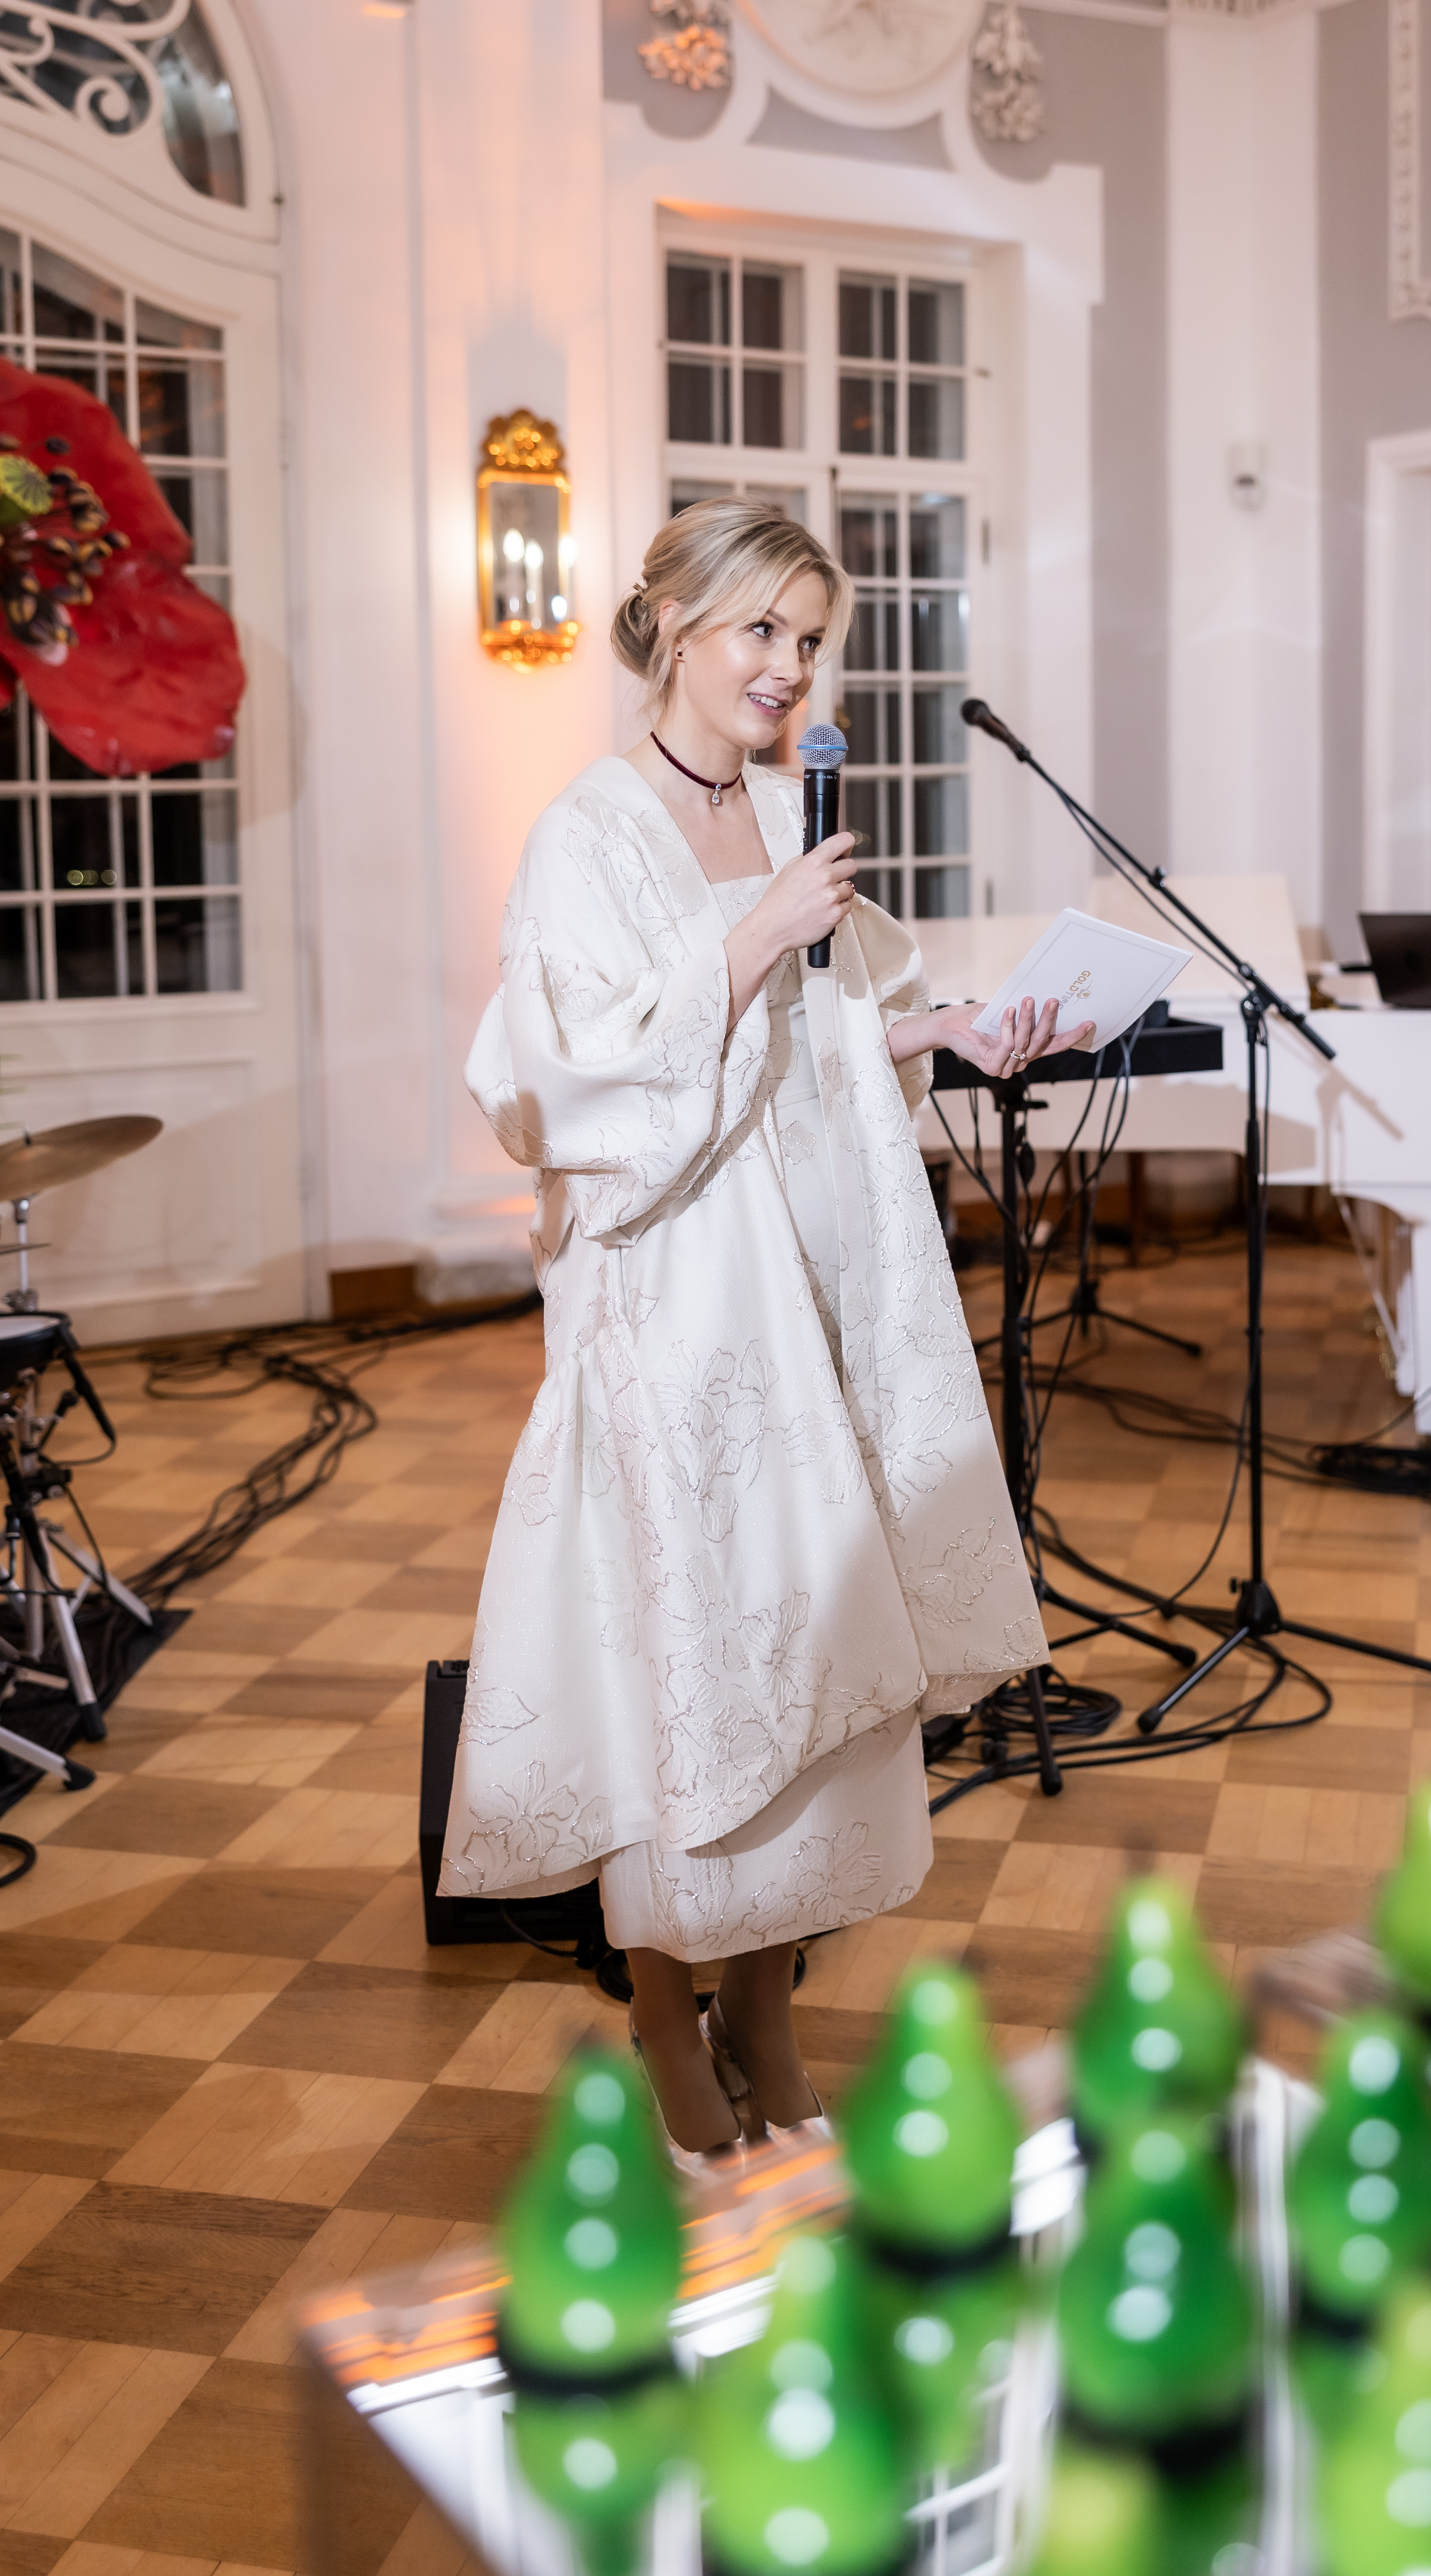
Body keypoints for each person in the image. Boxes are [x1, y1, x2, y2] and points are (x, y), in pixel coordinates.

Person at [441, 497, 1083, 2154]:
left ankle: (767, 2008)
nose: (790, 667)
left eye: (809, 639)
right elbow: (576, 1094)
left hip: (817, 1289)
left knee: (810, 1643)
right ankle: (667, 2018)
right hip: (674, 1305)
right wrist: (750, 937)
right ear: (670, 623)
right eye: (761, 631)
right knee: (693, 1659)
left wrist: (946, 1027)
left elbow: (814, 1042)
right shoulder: (587, 835)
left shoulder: (788, 809)